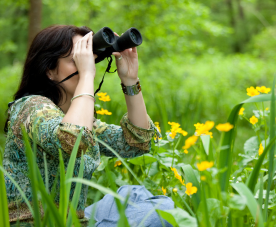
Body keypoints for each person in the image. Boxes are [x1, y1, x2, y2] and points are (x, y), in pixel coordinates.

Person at [3, 25, 172, 226]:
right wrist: (86, 76)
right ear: (49, 70)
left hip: (76, 220)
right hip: (40, 223)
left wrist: (130, 80)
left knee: (135, 194)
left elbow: (137, 143)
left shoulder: (76, 117)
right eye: (76, 60)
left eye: (90, 59)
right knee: (157, 213)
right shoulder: (30, 107)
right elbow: (72, 140)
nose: (87, 65)